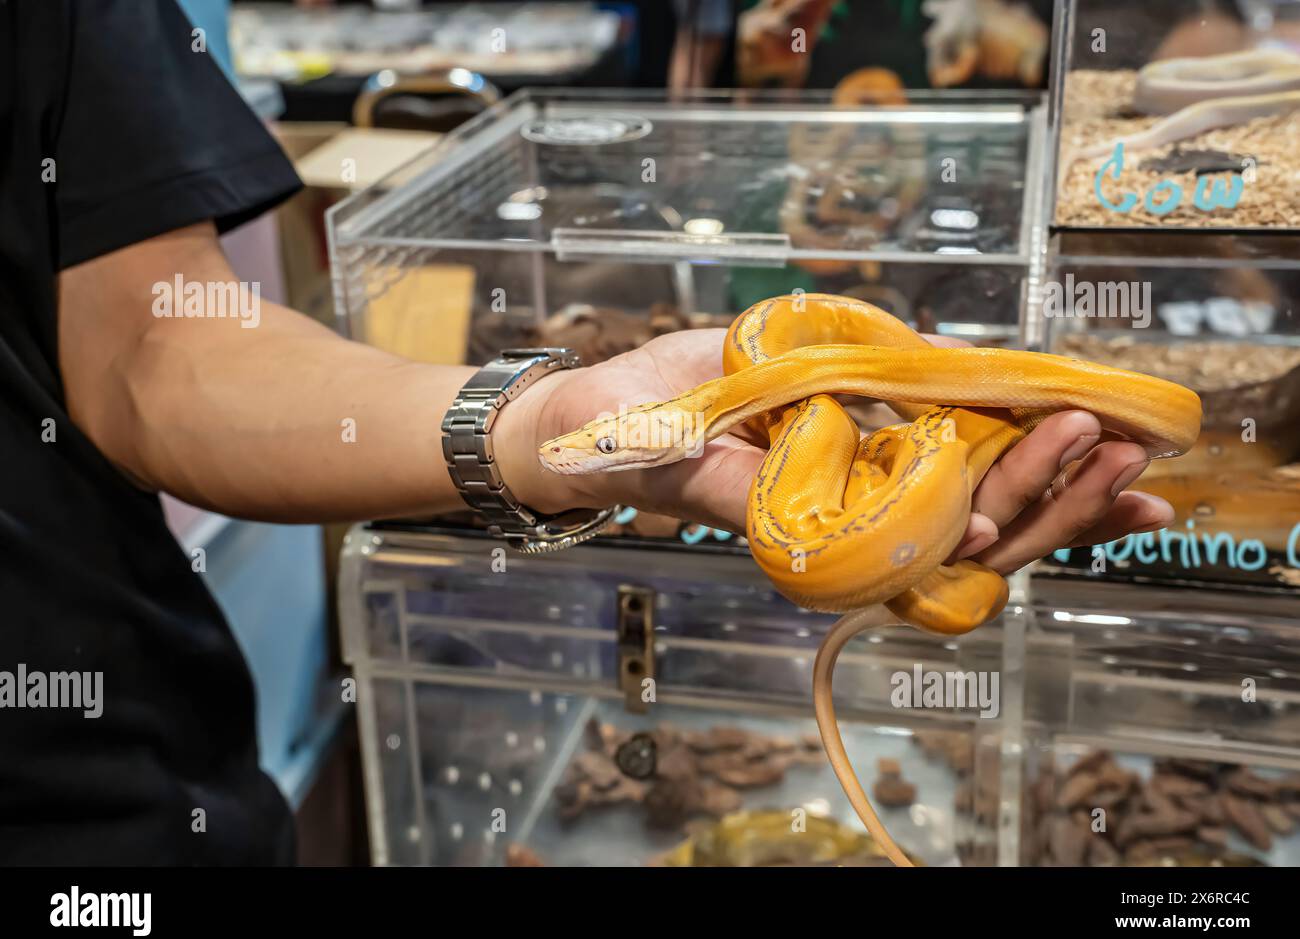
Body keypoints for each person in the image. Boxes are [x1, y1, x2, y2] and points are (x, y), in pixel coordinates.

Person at [0, 0, 1174, 865]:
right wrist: (564, 435)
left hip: (102, 820)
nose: (587, 457)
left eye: (597, 450)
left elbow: (146, 349)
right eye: (593, 452)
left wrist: (546, 423)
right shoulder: (776, 394)